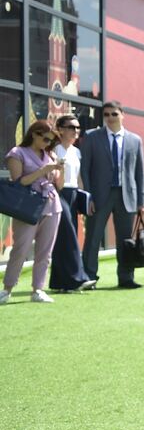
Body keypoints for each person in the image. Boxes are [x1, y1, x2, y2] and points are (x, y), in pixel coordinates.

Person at [80, 100, 144, 289]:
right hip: (100, 196)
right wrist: (88, 196)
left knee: (125, 241)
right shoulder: (92, 137)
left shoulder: (135, 140)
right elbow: (85, 170)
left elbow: (139, 174)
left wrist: (142, 202)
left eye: (114, 114)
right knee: (93, 237)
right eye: (106, 114)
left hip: (127, 197)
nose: (110, 118)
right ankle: (89, 277)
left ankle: (126, 278)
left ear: (122, 115)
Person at [2, 119, 64, 304]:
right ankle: (7, 289)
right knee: (20, 250)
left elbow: (58, 185)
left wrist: (60, 169)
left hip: (52, 205)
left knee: (45, 252)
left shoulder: (50, 154)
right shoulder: (17, 153)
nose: (48, 144)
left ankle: (38, 289)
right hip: (27, 207)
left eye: (51, 141)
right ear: (35, 134)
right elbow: (19, 181)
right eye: (45, 139)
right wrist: (43, 170)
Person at [49, 115, 95, 293]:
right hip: (58, 194)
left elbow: (78, 178)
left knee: (66, 237)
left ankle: (61, 282)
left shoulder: (76, 151)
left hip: (74, 195)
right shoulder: (54, 150)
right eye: (71, 127)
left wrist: (86, 198)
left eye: (77, 128)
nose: (75, 131)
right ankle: (78, 278)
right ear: (60, 129)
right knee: (68, 238)